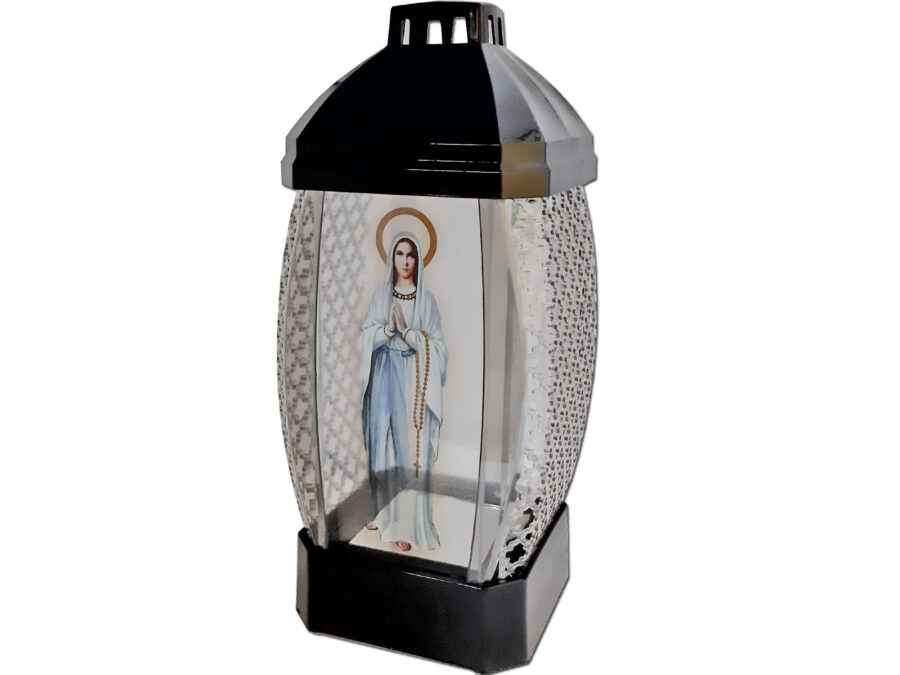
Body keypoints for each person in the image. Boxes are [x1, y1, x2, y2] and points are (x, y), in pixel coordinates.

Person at [359, 232, 447, 552]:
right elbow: (364, 335)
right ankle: (382, 514)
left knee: (407, 452)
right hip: (383, 373)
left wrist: (408, 334)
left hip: (411, 379)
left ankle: (404, 524)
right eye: (399, 254)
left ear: (418, 259)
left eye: (410, 255)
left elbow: (439, 349)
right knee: (381, 446)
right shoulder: (381, 295)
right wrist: (386, 331)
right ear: (391, 257)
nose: (405, 261)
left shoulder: (426, 301)